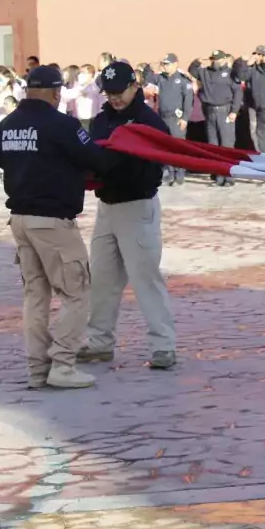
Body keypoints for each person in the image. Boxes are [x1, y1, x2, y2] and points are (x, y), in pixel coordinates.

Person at [0, 66, 121, 389]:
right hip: (53, 222)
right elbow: (97, 159)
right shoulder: (61, 125)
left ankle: (38, 369)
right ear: (54, 93)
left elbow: (4, 161)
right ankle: (63, 363)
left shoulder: (7, 125)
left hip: (20, 221)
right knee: (76, 293)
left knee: (35, 296)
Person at [77, 62, 178, 371]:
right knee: (102, 279)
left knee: (145, 279)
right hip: (107, 206)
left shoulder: (148, 120)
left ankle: (164, 346)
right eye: (109, 93)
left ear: (135, 86)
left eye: (119, 91)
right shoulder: (103, 117)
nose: (114, 98)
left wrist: (113, 164)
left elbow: (153, 164)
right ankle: (99, 342)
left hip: (136, 206)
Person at [190, 50, 243, 186]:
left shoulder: (230, 73)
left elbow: (237, 93)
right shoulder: (205, 72)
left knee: (226, 145)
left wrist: (234, 111)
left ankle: (229, 176)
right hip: (210, 111)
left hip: (225, 110)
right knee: (213, 145)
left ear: (224, 60)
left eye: (218, 59)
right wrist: (197, 61)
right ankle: (219, 176)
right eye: (213, 59)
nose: (215, 62)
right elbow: (192, 70)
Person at [145, 54, 194, 186]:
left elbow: (188, 101)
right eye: (164, 64)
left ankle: (180, 173)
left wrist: (185, 118)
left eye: (167, 64)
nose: (165, 67)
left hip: (176, 118)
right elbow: (148, 78)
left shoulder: (183, 80)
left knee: (178, 147)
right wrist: (149, 68)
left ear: (175, 64)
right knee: (166, 147)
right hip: (163, 117)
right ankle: (171, 172)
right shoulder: (161, 78)